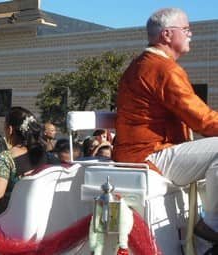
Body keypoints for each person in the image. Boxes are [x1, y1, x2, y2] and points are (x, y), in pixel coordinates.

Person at [112, 8, 218, 244]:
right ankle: (211, 226)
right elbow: (202, 120)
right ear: (167, 35)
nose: (191, 34)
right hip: (150, 154)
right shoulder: (163, 69)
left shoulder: (141, 64)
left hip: (140, 153)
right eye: (187, 29)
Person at [0, 107, 47, 215]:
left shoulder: (6, 158)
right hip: (41, 217)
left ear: (10, 129)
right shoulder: (46, 154)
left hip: (11, 220)